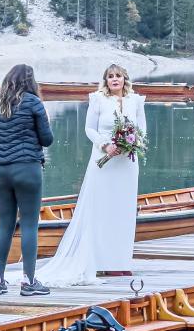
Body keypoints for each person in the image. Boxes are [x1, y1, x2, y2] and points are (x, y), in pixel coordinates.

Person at [39, 63, 146, 287]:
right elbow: (90, 129)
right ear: (105, 80)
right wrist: (105, 145)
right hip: (103, 162)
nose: (114, 79)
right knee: (101, 209)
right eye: (110, 77)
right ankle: (98, 261)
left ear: (125, 79)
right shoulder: (98, 100)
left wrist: (132, 144)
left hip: (127, 164)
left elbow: (142, 130)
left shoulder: (136, 101)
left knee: (123, 210)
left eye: (118, 76)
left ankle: (119, 262)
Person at [0, 64, 54, 297]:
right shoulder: (34, 103)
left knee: (4, 225)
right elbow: (46, 139)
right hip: (27, 169)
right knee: (29, 224)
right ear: (30, 81)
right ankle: (28, 281)